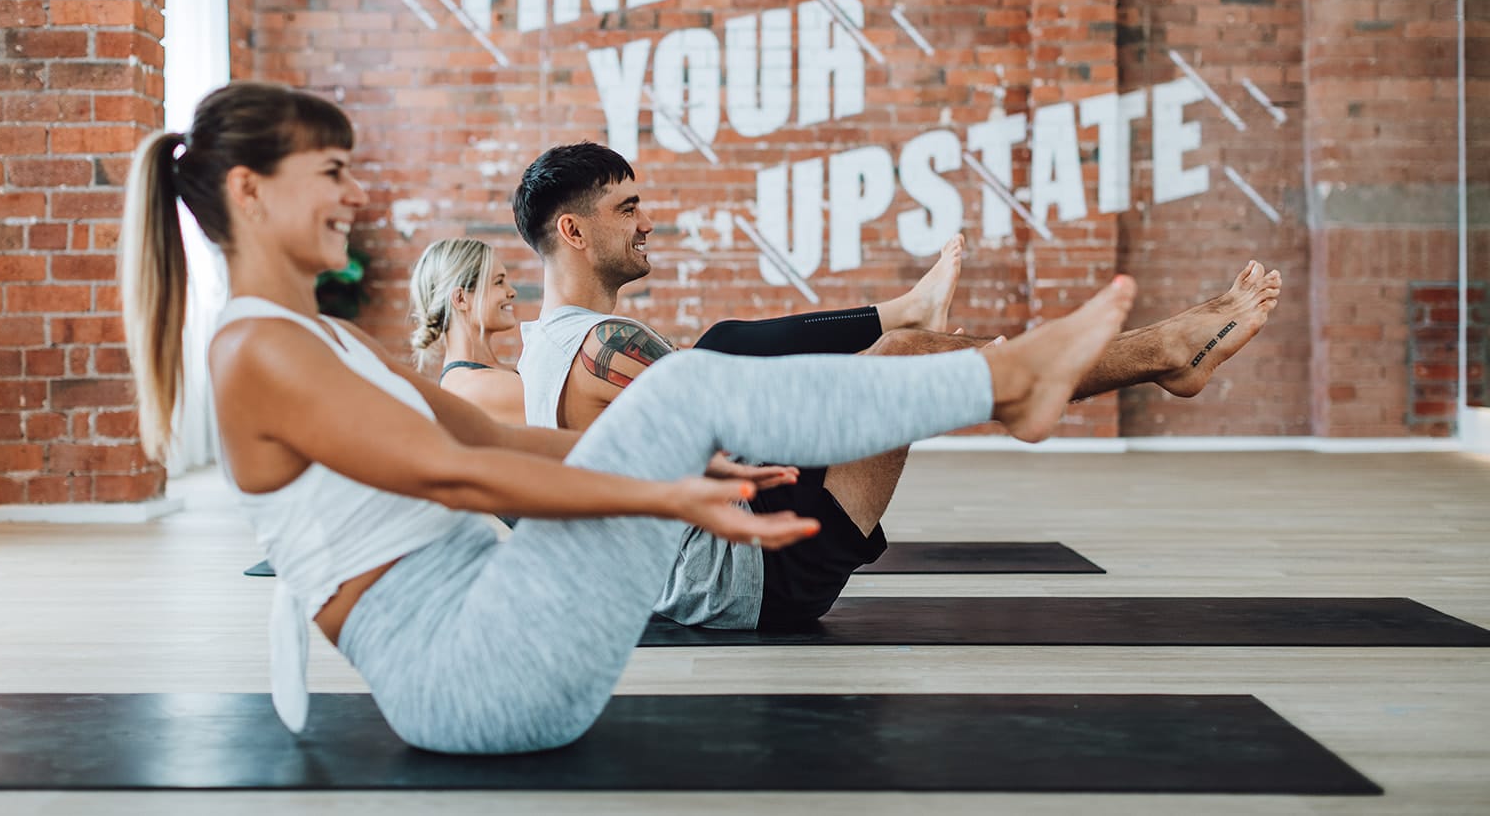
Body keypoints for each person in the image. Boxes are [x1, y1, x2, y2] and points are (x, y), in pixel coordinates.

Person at [120, 80, 1137, 754]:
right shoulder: (257, 347)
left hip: (498, 639)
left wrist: (669, 480)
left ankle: (1007, 378)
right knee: (693, 382)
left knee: (691, 390)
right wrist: (664, 491)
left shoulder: (320, 339)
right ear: (251, 192)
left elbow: (502, 440)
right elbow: (454, 479)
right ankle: (1008, 380)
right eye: (332, 173)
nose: (356, 195)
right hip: (471, 676)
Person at [510, 142, 1283, 630]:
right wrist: (902, 371)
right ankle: (1158, 352)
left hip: (716, 561)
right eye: (628, 207)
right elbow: (755, 433)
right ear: (573, 232)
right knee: (896, 353)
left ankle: (1094, 362)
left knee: (891, 352)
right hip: (752, 577)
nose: (648, 221)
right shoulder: (608, 346)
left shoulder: (545, 349)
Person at [408, 237, 524, 424]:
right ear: (461, 299)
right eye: (499, 282)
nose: (511, 291)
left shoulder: (486, 377)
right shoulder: (475, 387)